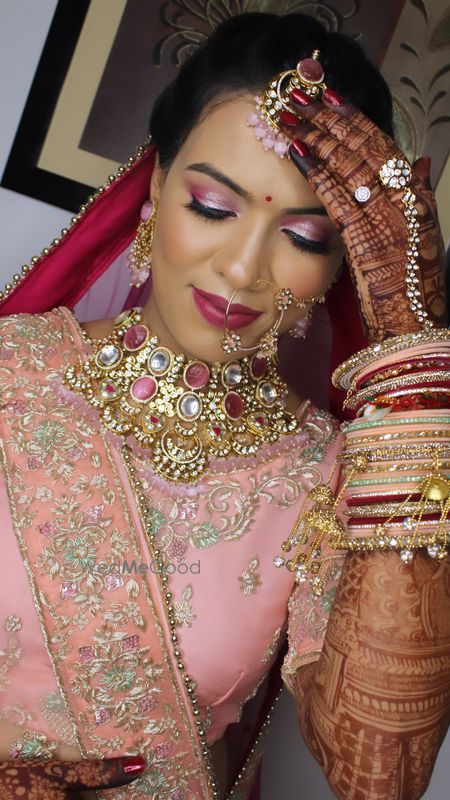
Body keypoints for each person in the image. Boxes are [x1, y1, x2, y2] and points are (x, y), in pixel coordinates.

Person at [0, 11, 449, 800]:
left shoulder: (336, 476)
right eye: (213, 205)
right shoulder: (11, 373)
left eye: (303, 237)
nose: (243, 268)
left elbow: (384, 779)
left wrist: (413, 349)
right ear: (155, 188)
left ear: (340, 269)